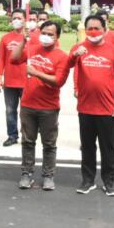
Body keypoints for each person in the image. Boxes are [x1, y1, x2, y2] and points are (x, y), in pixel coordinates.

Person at [69, 15, 114, 195]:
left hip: (107, 108)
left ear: (104, 29)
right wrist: (73, 56)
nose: (93, 32)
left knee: (108, 147)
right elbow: (69, 66)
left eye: (97, 28)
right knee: (87, 146)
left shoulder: (113, 50)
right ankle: (88, 180)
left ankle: (109, 182)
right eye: (90, 28)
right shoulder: (79, 48)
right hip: (85, 107)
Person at [11, 19, 69, 191]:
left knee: (49, 144)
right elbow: (14, 59)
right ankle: (26, 173)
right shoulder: (31, 49)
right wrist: (23, 41)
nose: (46, 37)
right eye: (43, 33)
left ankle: (48, 176)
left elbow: (58, 81)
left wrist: (36, 72)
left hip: (49, 107)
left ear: (57, 37)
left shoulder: (61, 56)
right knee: (28, 141)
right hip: (28, 104)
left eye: (50, 34)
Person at [0, 9, 27, 147]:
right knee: (10, 110)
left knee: (26, 111)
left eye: (19, 18)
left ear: (25, 19)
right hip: (10, 81)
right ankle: (12, 135)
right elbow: (1, 59)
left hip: (26, 80)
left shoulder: (30, 38)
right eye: (14, 18)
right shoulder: (6, 38)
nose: (16, 20)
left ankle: (27, 135)